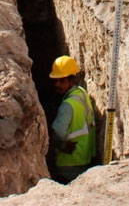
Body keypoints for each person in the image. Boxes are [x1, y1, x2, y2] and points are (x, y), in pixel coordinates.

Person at [48, 55, 96, 184]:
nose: (57, 84)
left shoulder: (67, 105)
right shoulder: (82, 94)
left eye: (61, 80)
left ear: (71, 80)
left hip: (68, 163)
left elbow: (58, 132)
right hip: (85, 158)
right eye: (55, 80)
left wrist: (61, 145)